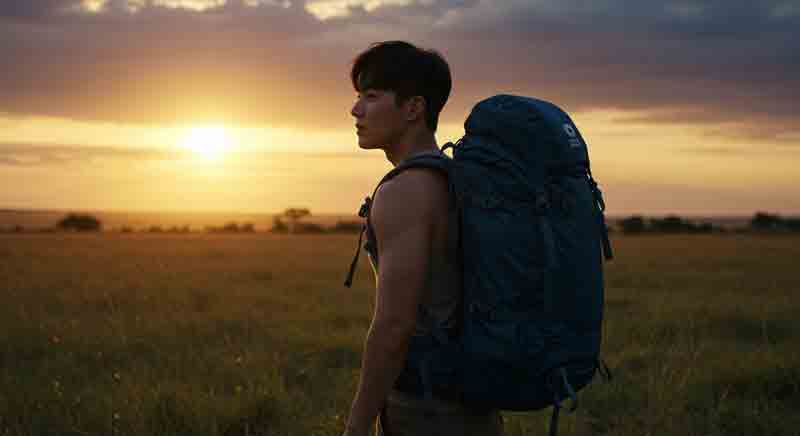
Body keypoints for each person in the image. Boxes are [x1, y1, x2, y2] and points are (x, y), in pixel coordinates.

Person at [342, 41, 504, 436]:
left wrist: (357, 425)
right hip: (476, 402)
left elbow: (394, 326)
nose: (356, 109)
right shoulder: (453, 179)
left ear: (413, 108)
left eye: (371, 96)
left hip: (427, 409)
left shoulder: (405, 191)